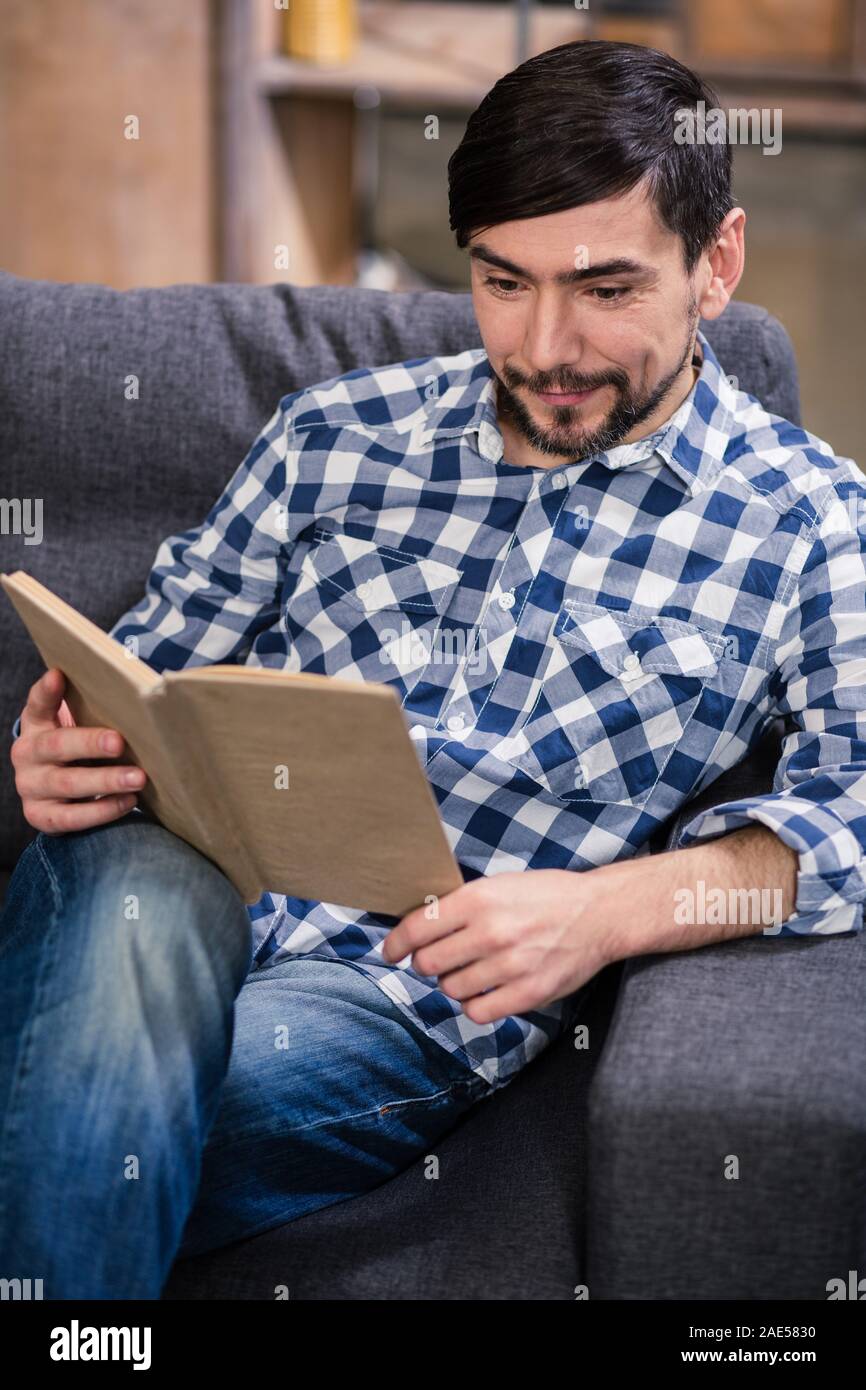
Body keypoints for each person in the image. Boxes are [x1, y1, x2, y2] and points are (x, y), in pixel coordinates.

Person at [3, 40, 866, 1300]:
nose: (545, 345)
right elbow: (141, 676)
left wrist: (603, 910)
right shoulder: (330, 438)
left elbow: (855, 814)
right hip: (157, 893)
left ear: (713, 265)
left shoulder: (809, 523)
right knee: (119, 965)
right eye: (502, 282)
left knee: (94, 1113)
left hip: (405, 997)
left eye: (605, 288)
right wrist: (62, 743)